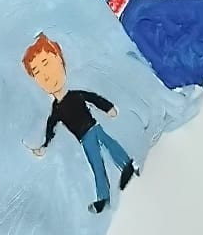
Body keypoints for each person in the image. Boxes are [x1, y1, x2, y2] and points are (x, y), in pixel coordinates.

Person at [23, 34, 137, 214]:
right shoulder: (56, 110)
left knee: (110, 145)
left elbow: (94, 98)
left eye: (47, 63)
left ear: (61, 61)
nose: (46, 75)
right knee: (96, 165)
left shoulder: (76, 95)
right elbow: (51, 128)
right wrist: (45, 145)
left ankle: (128, 165)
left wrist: (108, 107)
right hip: (84, 139)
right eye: (37, 72)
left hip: (94, 128)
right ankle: (103, 198)